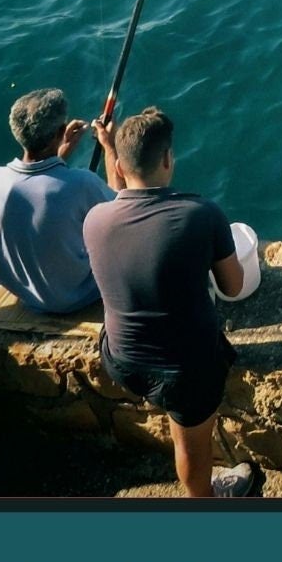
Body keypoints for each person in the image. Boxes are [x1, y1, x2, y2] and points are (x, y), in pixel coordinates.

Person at [84, 107, 256, 499]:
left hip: (121, 360)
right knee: (190, 445)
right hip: (182, 372)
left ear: (122, 166)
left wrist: (109, 147)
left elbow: (124, 201)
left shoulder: (95, 220)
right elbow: (233, 287)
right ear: (167, 159)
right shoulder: (202, 213)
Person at [0, 87, 113, 315]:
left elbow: (37, 192)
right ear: (61, 131)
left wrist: (59, 153)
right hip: (75, 297)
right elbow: (124, 211)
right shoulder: (81, 183)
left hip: (25, 294)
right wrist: (109, 146)